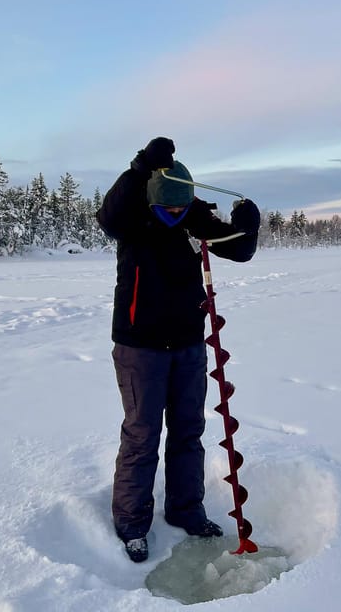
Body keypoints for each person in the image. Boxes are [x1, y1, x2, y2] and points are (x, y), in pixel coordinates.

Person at [96, 137, 261, 562]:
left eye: (179, 208)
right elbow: (109, 215)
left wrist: (249, 223)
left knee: (189, 432)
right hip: (139, 349)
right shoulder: (133, 220)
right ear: (152, 200)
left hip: (188, 345)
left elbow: (239, 248)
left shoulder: (193, 219)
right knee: (142, 435)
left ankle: (187, 510)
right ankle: (132, 523)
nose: (173, 214)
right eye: (166, 208)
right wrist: (139, 168)